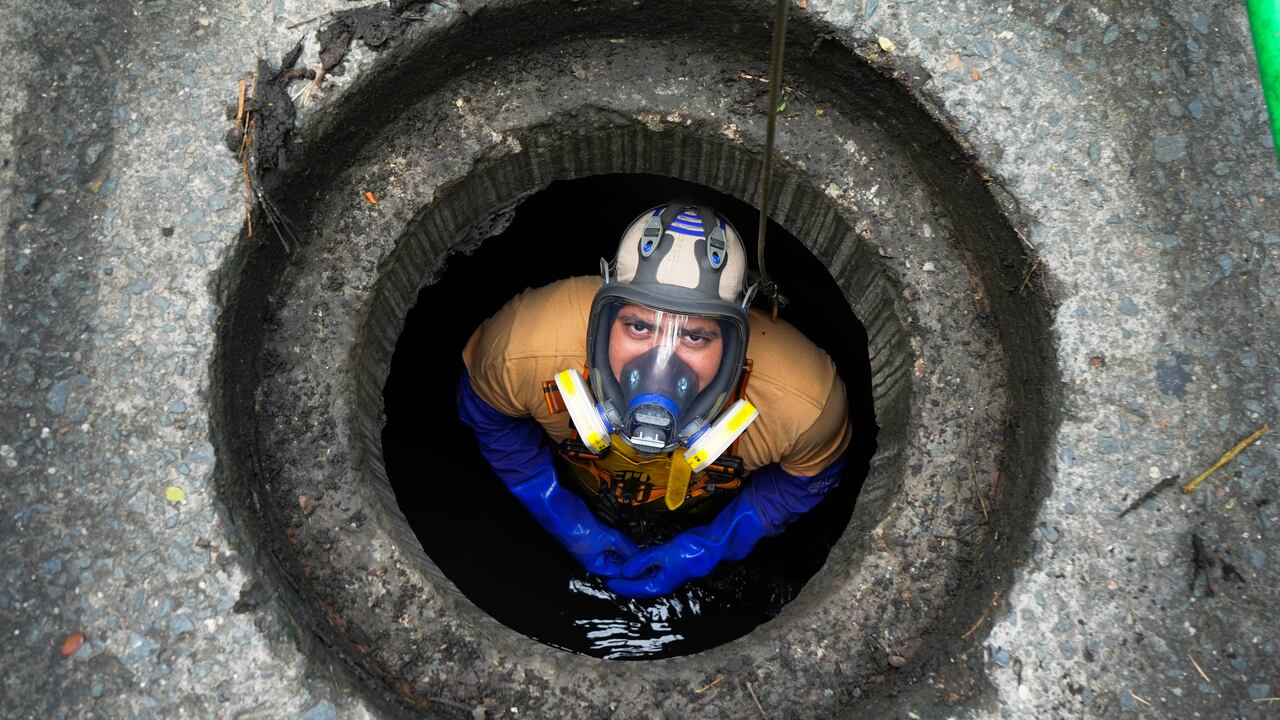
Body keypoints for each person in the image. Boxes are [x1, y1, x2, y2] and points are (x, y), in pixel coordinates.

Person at [457, 201, 851, 598]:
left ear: (738, 331)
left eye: (695, 336)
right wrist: (559, 513)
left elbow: (809, 478)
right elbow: (490, 415)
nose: (660, 366)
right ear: (605, 314)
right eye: (639, 326)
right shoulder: (525, 348)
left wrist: (712, 545)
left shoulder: (802, 402)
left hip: (700, 511)